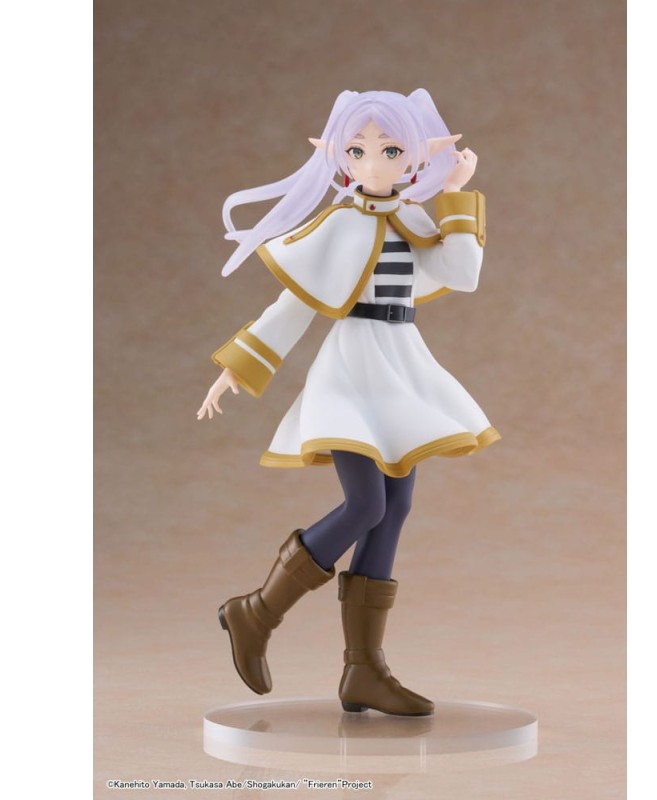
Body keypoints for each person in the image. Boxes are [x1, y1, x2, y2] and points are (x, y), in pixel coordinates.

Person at [198, 89, 499, 716]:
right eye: (357, 151)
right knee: (365, 503)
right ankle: (257, 611)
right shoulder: (338, 223)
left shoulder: (416, 218)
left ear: (415, 156)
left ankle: (364, 669)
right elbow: (294, 306)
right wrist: (236, 369)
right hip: (351, 370)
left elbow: (464, 274)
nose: (373, 163)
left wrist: (456, 193)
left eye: (390, 150)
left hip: (401, 365)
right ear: (335, 155)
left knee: (395, 507)